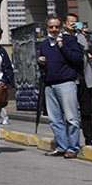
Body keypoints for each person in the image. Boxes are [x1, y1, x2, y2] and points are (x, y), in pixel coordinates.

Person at [37, 14, 84, 158]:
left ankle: (73, 147)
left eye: (56, 27)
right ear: (47, 28)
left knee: (71, 118)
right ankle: (62, 146)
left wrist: (62, 46)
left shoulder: (69, 40)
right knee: (54, 119)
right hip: (50, 85)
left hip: (66, 83)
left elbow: (78, 60)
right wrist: (41, 63)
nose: (54, 29)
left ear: (61, 26)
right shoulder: (44, 44)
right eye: (51, 27)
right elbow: (43, 67)